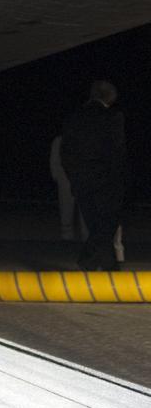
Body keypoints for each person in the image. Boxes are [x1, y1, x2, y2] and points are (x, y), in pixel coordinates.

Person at [60, 81, 126, 271]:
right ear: (110, 97)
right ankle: (88, 261)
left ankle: (108, 266)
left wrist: (73, 177)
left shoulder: (74, 117)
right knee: (107, 224)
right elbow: (117, 152)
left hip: (81, 180)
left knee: (96, 224)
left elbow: (66, 153)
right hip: (106, 180)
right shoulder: (114, 116)